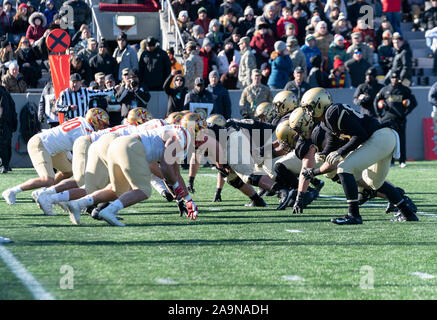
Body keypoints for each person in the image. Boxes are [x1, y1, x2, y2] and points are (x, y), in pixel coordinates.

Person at [299, 88, 418, 224]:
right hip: (383, 138)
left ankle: (353, 215)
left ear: (320, 103)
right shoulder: (326, 122)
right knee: (373, 183)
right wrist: (324, 153)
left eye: (309, 107)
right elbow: (332, 143)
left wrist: (339, 152)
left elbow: (360, 135)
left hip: (380, 136)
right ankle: (407, 213)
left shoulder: (333, 112)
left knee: (344, 168)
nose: (308, 112)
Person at [1, 108, 109, 205]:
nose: (103, 127)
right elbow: (79, 150)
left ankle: (44, 193)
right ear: (93, 120)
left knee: (69, 171)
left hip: (56, 148)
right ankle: (12, 191)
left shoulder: (82, 122)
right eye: (102, 124)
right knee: (47, 179)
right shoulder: (85, 130)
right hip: (41, 144)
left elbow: (66, 140)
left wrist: (70, 158)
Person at [374, 72, 417, 168]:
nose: (394, 79)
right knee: (389, 140)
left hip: (400, 119)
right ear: (390, 79)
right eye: (392, 78)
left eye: (396, 78)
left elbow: (414, 102)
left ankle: (402, 160)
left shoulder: (404, 90)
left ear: (399, 79)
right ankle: (391, 161)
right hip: (387, 119)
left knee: (401, 140)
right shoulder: (385, 89)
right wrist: (379, 115)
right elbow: (376, 101)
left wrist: (406, 113)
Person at [0, 84, 17, 173]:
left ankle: (4, 165)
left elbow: (4, 110)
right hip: (7, 124)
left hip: (3, 124)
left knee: (3, 146)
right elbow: (13, 110)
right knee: (6, 145)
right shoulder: (6, 93)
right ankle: (6, 165)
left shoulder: (4, 93)